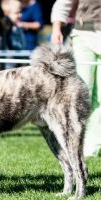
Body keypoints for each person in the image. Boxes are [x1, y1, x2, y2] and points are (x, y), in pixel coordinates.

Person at [51, 0, 101, 157]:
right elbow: (64, 2)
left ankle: (93, 147)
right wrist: (56, 28)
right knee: (82, 94)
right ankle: (76, 144)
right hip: (84, 35)